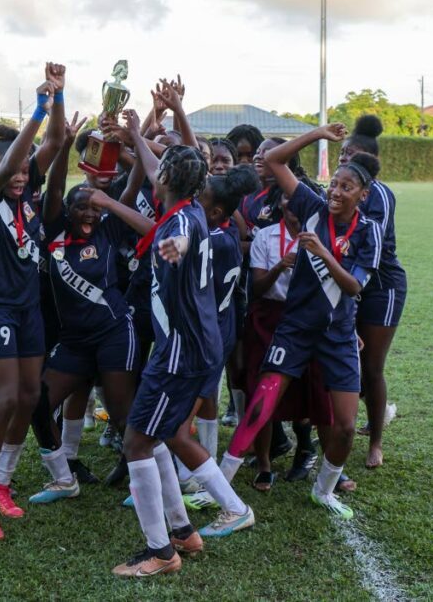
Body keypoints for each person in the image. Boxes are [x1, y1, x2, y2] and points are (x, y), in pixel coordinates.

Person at [113, 110, 254, 578]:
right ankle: (182, 532)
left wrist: (176, 250)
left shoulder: (182, 225)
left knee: (137, 442)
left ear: (170, 179)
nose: (157, 170)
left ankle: (160, 553)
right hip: (194, 347)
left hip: (180, 353)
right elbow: (157, 172)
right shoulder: (186, 204)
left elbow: (184, 240)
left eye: (162, 166)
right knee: (156, 439)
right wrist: (135, 130)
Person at [220, 124, 383, 521]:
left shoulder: (368, 232)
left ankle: (324, 490)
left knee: (344, 426)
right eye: (335, 184)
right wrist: (318, 133)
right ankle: (219, 485)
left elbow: (354, 287)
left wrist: (323, 253)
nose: (336, 192)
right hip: (293, 330)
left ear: (363, 195)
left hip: (338, 335)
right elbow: (274, 159)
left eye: (347, 187)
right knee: (260, 404)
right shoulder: (311, 206)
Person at [0, 63, 67, 540]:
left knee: (27, 398)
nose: (23, 177)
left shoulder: (28, 194)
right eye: (15, 170)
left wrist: (59, 101)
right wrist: (38, 110)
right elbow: (20, 155)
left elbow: (54, 144)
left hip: (27, 308)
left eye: (28, 172)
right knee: (4, 398)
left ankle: (2, 485)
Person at [28, 111, 154, 504]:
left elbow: (133, 185)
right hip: (76, 342)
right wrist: (64, 145)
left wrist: (108, 201)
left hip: (116, 333)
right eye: (82, 208)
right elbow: (54, 190)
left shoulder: (107, 226)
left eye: (94, 209)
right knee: (37, 405)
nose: (89, 214)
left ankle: (144, 483)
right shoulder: (55, 229)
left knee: (122, 417)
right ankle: (63, 477)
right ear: (67, 211)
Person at [176, 166, 257, 501]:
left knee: (187, 406)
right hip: (216, 329)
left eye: (202, 198)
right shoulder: (225, 236)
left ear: (216, 211)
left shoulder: (214, 242)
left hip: (209, 331)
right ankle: (197, 469)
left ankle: (194, 473)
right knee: (206, 396)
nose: (195, 201)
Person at [246, 191, 332, 487]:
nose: (292, 209)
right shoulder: (266, 236)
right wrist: (280, 265)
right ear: (279, 206)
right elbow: (257, 287)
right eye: (286, 203)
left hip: (306, 318)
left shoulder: (320, 236)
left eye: (298, 204)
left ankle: (313, 455)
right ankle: (265, 464)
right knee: (263, 391)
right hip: (268, 317)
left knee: (313, 389)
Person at [339, 116, 406, 468]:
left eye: (349, 153)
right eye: (341, 152)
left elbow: (367, 246)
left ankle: (376, 441)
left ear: (366, 158)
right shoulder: (337, 188)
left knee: (372, 368)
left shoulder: (378, 195)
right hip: (349, 284)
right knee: (345, 361)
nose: (342, 158)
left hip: (381, 287)